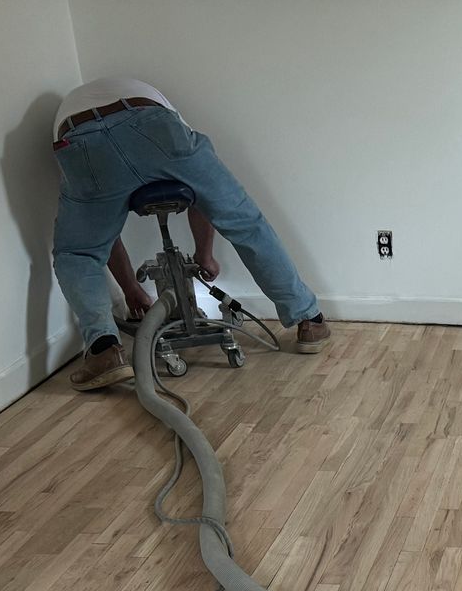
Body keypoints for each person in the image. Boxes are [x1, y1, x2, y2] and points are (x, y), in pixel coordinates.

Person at [50, 78, 329, 391]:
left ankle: (103, 350)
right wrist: (203, 255)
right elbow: (203, 197)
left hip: (77, 138)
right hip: (147, 119)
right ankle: (309, 319)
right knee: (246, 224)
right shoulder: (153, 101)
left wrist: (131, 290)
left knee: (78, 254)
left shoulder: (76, 100)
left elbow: (101, 236)